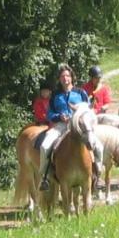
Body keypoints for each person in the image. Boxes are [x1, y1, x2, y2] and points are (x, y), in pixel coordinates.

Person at [39, 64, 90, 192]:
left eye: (67, 75)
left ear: (72, 77)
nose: (65, 78)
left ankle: (96, 172)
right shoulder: (55, 95)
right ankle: (45, 176)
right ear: (59, 79)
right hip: (60, 126)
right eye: (62, 76)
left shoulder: (81, 93)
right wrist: (59, 117)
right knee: (44, 146)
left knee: (96, 145)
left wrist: (78, 118)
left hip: (78, 125)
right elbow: (49, 114)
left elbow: (87, 110)